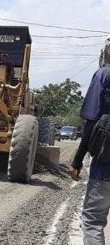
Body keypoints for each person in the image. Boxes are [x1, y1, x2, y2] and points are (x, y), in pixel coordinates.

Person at [69, 44, 110, 245]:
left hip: (105, 168)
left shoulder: (104, 75)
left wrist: (77, 161)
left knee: (93, 223)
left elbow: (91, 122)